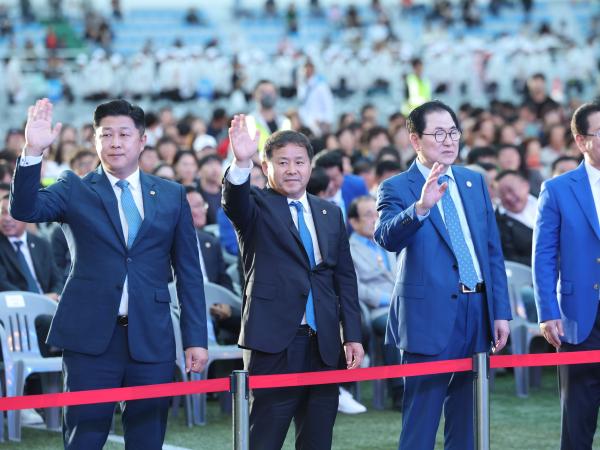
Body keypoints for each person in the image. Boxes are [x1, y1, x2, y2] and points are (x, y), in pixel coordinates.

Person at [10, 98, 208, 450]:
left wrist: (195, 338)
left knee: (147, 439)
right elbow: (25, 208)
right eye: (106, 135)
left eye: (124, 134)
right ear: (95, 140)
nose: (115, 142)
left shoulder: (171, 194)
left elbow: (189, 274)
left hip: (151, 337)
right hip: (89, 340)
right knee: (84, 439)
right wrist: (32, 152)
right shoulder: (74, 188)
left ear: (142, 140)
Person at [374, 100, 511, 450]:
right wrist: (420, 208)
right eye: (438, 134)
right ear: (415, 140)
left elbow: (492, 251)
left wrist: (500, 312)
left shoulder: (473, 181)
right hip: (427, 314)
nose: (449, 141)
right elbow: (386, 237)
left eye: (453, 132)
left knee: (467, 419)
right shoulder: (396, 187)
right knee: (421, 420)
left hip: (477, 310)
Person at [222, 115, 363, 450]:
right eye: (282, 162)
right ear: (266, 165)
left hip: (325, 342)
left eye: (300, 162)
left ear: (310, 167)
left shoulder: (329, 212)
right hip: (274, 341)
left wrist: (352, 335)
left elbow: (345, 278)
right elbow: (234, 201)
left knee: (317, 439)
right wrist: (241, 161)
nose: (292, 170)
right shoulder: (256, 205)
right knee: (264, 438)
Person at [533, 100, 600, 450]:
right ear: (580, 140)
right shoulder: (558, 189)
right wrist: (547, 311)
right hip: (578, 315)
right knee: (577, 419)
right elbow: (543, 256)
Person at [348, 195, 403, 410]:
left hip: (399, 300)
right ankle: (400, 390)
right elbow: (354, 287)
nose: (375, 219)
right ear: (353, 221)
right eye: (368, 215)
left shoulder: (385, 241)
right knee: (396, 322)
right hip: (374, 308)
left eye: (377, 214)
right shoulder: (349, 248)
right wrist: (385, 299)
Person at [495, 170, 537, 266]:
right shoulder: (498, 223)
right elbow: (509, 259)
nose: (508, 197)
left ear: (525, 186)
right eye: (502, 193)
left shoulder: (547, 203)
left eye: (510, 190)